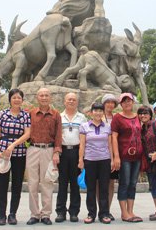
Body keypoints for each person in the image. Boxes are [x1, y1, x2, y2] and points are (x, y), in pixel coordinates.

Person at [26, 87, 62, 225]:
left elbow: (59, 135)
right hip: (33, 149)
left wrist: (56, 152)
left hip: (49, 150)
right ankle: (34, 214)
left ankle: (46, 214)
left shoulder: (55, 114)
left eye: (46, 95)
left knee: (47, 183)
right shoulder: (31, 114)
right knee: (32, 183)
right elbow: (26, 133)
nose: (44, 98)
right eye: (41, 95)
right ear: (37, 97)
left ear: (50, 97)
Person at [0, 88, 31, 225]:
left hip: (19, 153)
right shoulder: (2, 114)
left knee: (17, 184)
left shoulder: (25, 116)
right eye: (14, 97)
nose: (17, 100)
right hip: (3, 154)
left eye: (19, 98)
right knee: (2, 185)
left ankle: (12, 214)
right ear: (10, 99)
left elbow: (27, 134)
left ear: (22, 100)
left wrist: (13, 145)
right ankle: (2, 214)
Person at [78, 103, 113, 224]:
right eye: (96, 110)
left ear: (103, 112)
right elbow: (82, 145)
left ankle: (104, 214)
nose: (98, 113)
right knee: (91, 189)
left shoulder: (107, 127)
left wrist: (112, 160)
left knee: (104, 188)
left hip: (104, 160)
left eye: (100, 111)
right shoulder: (84, 126)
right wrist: (80, 160)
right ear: (91, 112)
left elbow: (110, 145)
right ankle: (91, 214)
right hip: (90, 160)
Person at [111, 92, 143, 222]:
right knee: (124, 183)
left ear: (133, 102)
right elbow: (114, 137)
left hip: (137, 156)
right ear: (121, 104)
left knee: (133, 183)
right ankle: (124, 213)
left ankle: (130, 211)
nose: (127, 103)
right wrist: (116, 157)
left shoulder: (138, 117)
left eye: (129, 100)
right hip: (124, 156)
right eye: (124, 101)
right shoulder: (117, 118)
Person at [55, 93, 87, 223]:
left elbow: (84, 138)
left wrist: (81, 157)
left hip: (76, 152)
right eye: (69, 99)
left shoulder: (82, 118)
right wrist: (56, 152)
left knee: (75, 184)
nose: (71, 101)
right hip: (62, 152)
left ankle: (74, 212)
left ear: (77, 102)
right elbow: (55, 136)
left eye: (74, 99)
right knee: (62, 184)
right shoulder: (59, 116)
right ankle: (60, 212)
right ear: (64, 101)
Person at [101, 94, 118, 220]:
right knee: (99, 183)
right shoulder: (98, 116)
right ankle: (101, 208)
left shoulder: (116, 118)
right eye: (108, 102)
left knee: (111, 182)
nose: (110, 105)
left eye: (113, 102)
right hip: (100, 153)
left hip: (113, 153)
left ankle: (107, 209)